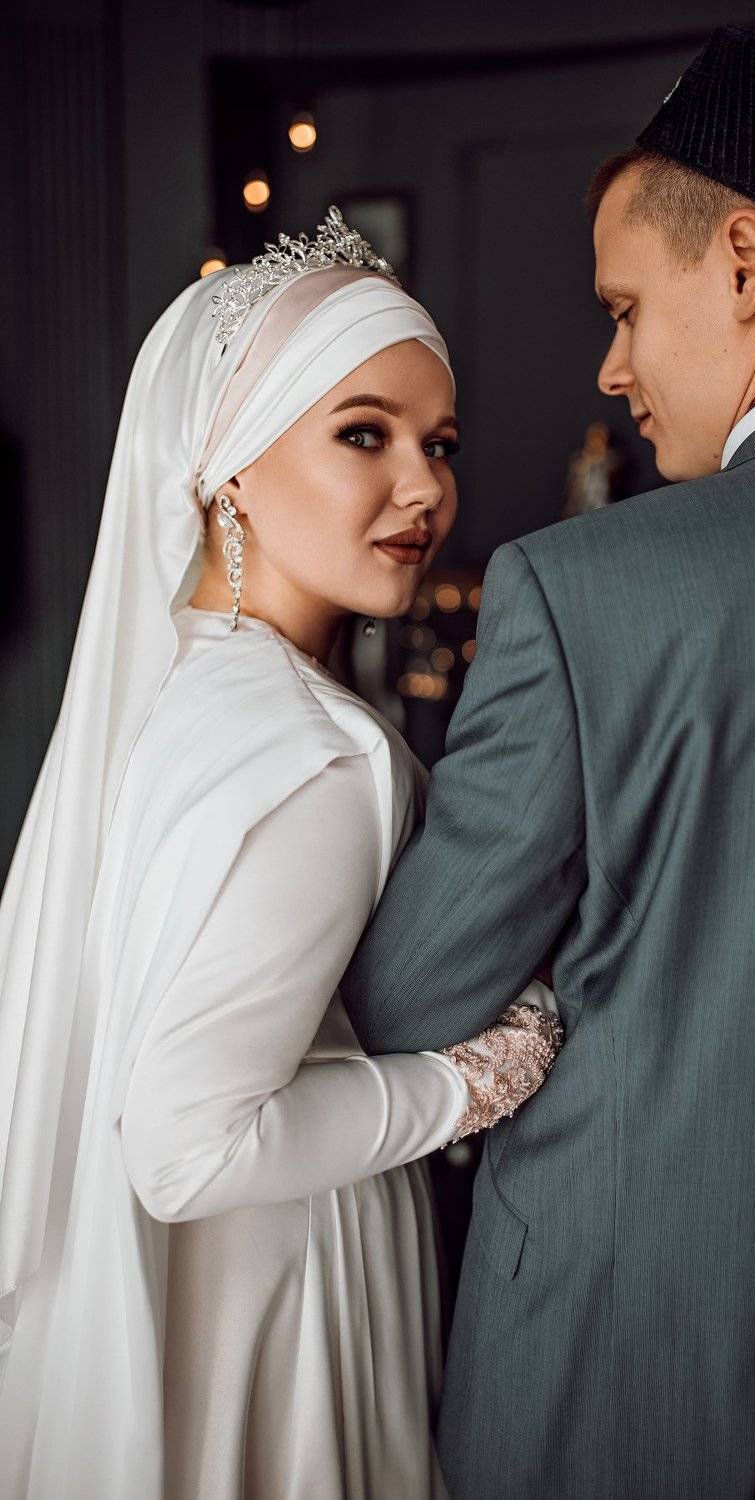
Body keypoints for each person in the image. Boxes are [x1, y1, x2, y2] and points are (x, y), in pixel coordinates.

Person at [341, 27, 755, 1498]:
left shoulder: (585, 591)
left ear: (745, 262)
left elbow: (407, 999)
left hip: (623, 1390)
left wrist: (565, 975)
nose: (614, 365)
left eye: (627, 308)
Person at [0, 210, 561, 1500]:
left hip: (152, 1317)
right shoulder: (316, 753)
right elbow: (189, 1147)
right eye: (364, 433)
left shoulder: (168, 692)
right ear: (229, 467)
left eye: (438, 444)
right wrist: (469, 1085)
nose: (424, 487)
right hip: (270, 1306)